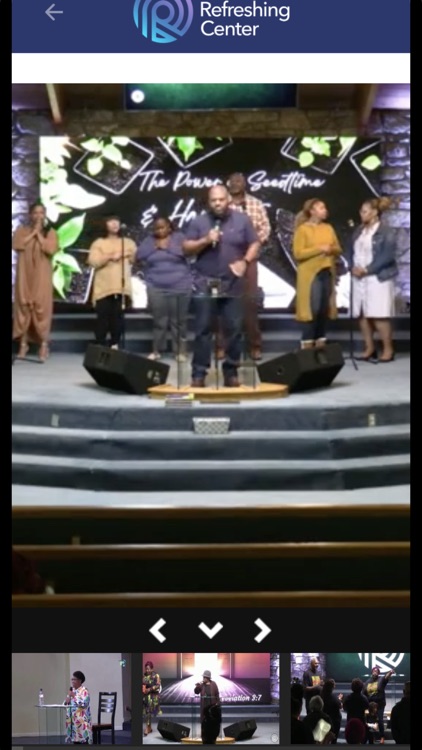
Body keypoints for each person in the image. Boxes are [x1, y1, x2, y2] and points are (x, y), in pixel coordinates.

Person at [183, 185, 260, 387]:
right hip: (205, 281)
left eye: (221, 199)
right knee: (203, 329)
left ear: (228, 200)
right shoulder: (199, 221)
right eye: (213, 200)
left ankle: (231, 372)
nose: (217, 203)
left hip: (233, 283)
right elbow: (186, 248)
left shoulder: (242, 220)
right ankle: (199, 373)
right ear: (209, 202)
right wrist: (205, 240)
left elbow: (254, 242)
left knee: (234, 329)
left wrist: (245, 261)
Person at [214, 172, 271, 361]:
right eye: (232, 181)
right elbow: (212, 227)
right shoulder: (221, 203)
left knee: (249, 302)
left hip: (249, 259)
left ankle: (254, 346)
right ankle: (221, 346)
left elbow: (265, 228)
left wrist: (252, 244)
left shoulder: (255, 203)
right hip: (225, 259)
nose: (236, 184)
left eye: (239, 181)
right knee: (222, 302)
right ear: (227, 183)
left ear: (245, 184)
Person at [136, 217, 192, 362]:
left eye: (163, 227)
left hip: (180, 286)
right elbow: (139, 255)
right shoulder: (149, 240)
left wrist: (168, 247)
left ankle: (180, 352)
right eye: (157, 228)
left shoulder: (179, 237)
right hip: (156, 286)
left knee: (178, 321)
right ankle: (156, 350)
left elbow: (188, 253)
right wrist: (155, 246)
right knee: (159, 321)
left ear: (169, 227)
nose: (160, 231)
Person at [349, 197, 398, 362]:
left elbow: (387, 256)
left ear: (375, 212)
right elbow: (351, 252)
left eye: (364, 211)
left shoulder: (386, 231)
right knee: (362, 314)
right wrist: (352, 267)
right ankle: (369, 348)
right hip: (359, 278)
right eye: (361, 211)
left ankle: (388, 349)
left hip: (378, 277)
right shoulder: (359, 231)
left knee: (379, 314)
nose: (361, 214)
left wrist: (368, 269)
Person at [12, 201, 59, 361]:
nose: (38, 215)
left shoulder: (50, 232)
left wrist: (39, 234)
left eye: (41, 213)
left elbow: (50, 249)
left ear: (45, 215)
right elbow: (18, 244)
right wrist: (33, 233)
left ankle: (44, 345)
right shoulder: (21, 230)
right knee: (24, 307)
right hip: (25, 275)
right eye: (35, 213)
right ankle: (23, 344)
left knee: (41, 307)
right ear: (30, 215)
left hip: (42, 275)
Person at [293, 199, 342, 349]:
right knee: (312, 308)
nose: (325, 210)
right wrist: (319, 249)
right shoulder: (302, 230)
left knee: (323, 308)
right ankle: (307, 342)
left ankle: (320, 341)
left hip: (326, 271)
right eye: (321, 208)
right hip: (310, 274)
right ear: (312, 211)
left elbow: (338, 248)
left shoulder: (328, 228)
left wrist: (331, 249)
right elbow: (298, 253)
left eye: (325, 207)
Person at [87, 215, 136, 349]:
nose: (115, 224)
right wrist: (110, 256)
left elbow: (134, 257)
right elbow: (93, 261)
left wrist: (124, 253)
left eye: (117, 221)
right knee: (102, 319)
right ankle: (100, 346)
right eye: (111, 221)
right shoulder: (99, 243)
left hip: (121, 287)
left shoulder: (128, 242)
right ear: (105, 224)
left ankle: (115, 344)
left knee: (117, 318)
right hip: (103, 288)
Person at [363, 666, 394, 744]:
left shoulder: (381, 679)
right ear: (372, 672)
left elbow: (386, 677)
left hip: (380, 704)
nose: (375, 672)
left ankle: (382, 737)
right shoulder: (367, 682)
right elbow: (364, 693)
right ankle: (371, 737)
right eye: (374, 671)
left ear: (378, 673)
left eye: (377, 671)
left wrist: (390, 673)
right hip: (370, 705)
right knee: (370, 721)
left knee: (380, 720)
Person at [64, 670, 93, 744]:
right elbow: (65, 705)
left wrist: (74, 696)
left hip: (82, 722)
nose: (72, 681)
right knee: (75, 742)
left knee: (83, 743)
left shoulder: (84, 691)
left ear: (80, 680)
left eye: (74, 679)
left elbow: (84, 704)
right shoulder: (72, 691)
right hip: (72, 722)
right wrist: (66, 700)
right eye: (72, 679)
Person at [194, 670, 221, 744]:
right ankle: (204, 738)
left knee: (212, 722)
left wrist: (218, 703)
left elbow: (217, 694)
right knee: (204, 722)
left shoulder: (214, 684)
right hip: (204, 707)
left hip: (212, 707)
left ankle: (212, 737)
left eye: (204, 677)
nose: (203, 678)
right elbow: (196, 692)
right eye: (203, 677)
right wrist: (197, 686)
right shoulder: (201, 685)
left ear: (208, 678)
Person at [142, 661, 162, 736]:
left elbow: (158, 685)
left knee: (148, 711)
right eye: (146, 669)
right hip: (146, 696)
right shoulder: (144, 676)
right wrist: (143, 689)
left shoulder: (156, 676)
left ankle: (147, 728)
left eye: (148, 669)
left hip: (154, 696)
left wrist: (149, 689)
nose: (147, 670)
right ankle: (149, 727)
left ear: (152, 669)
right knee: (147, 712)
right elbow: (143, 685)